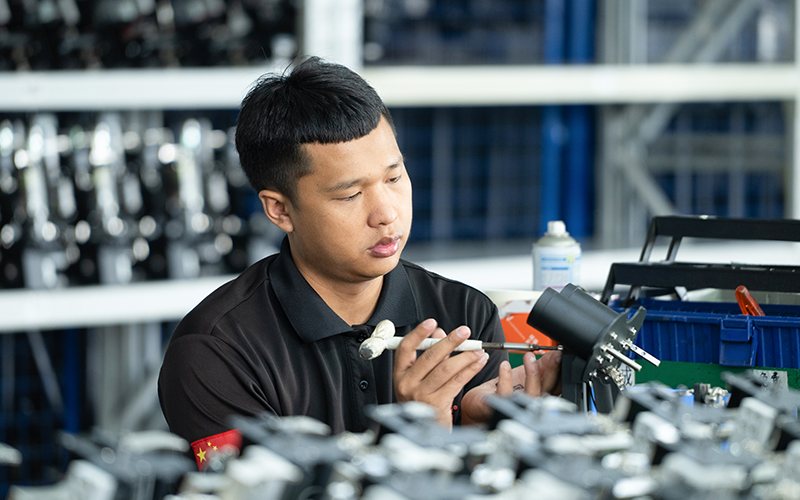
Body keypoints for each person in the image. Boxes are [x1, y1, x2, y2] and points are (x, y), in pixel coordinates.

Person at [158, 57, 561, 469]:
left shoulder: (463, 314)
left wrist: (477, 432)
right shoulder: (217, 352)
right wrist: (415, 436)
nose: (386, 214)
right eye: (350, 195)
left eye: (394, 177)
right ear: (280, 210)